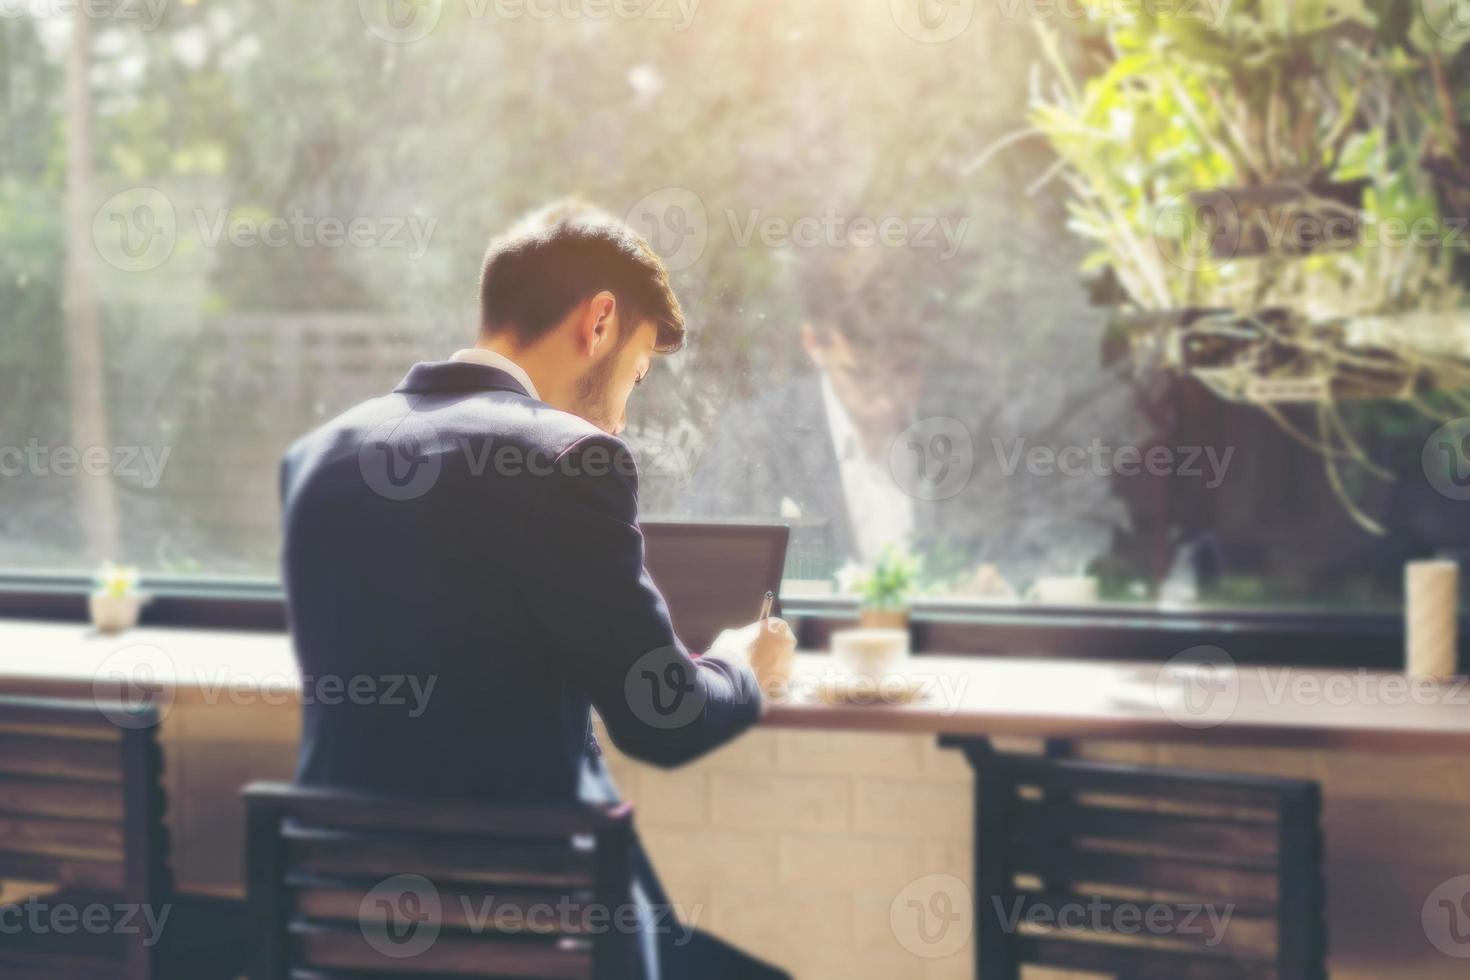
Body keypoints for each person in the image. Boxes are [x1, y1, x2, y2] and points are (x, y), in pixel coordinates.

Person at [280, 200, 795, 979]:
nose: (624, 414)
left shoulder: (316, 456)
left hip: (338, 921)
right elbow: (665, 720)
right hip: (528, 930)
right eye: (638, 372)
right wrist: (739, 666)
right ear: (598, 322)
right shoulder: (570, 458)